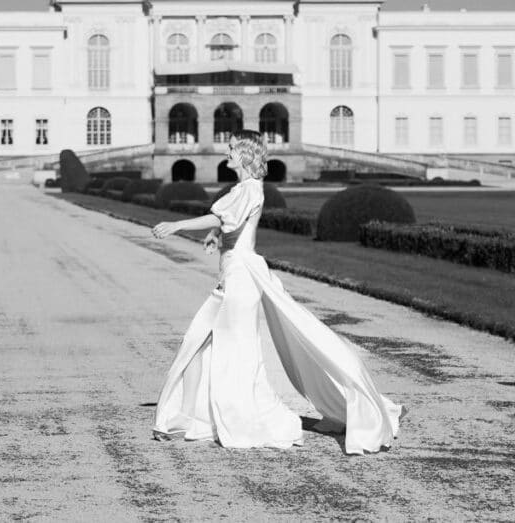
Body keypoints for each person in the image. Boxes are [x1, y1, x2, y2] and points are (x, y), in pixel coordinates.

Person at [151, 130, 403, 453]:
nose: (225, 152)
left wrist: (176, 226)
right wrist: (218, 236)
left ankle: (225, 418)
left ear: (244, 155)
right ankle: (188, 417)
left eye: (231, 149)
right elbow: (231, 223)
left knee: (225, 352)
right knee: (197, 344)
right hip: (232, 277)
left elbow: (221, 215)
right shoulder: (244, 189)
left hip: (239, 284)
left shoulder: (251, 188)